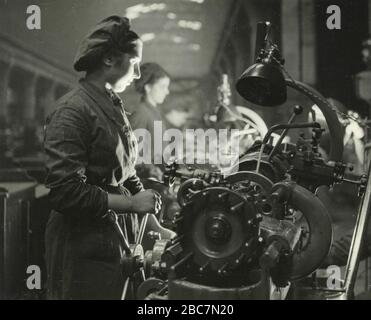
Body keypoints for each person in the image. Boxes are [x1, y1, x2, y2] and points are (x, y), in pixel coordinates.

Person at [43, 16, 162, 300]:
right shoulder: (73, 111)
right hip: (81, 242)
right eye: (134, 64)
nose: (136, 75)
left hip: (111, 235)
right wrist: (132, 203)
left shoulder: (110, 104)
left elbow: (125, 169)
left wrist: (150, 219)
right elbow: (65, 192)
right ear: (109, 59)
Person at [129, 62, 171, 173]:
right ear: (148, 87)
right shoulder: (141, 113)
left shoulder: (155, 111)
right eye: (162, 87)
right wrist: (151, 169)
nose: (167, 92)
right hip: (149, 179)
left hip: (160, 171)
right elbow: (133, 154)